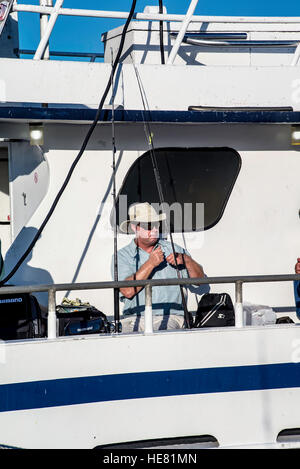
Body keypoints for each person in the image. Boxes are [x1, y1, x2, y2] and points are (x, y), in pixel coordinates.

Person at [112, 202, 205, 333]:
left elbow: (200, 281)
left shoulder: (174, 249)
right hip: (133, 318)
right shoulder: (121, 256)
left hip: (170, 316)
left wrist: (187, 261)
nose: (155, 230)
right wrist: (151, 264)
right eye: (149, 225)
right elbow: (127, 291)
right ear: (135, 227)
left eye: (157, 224)